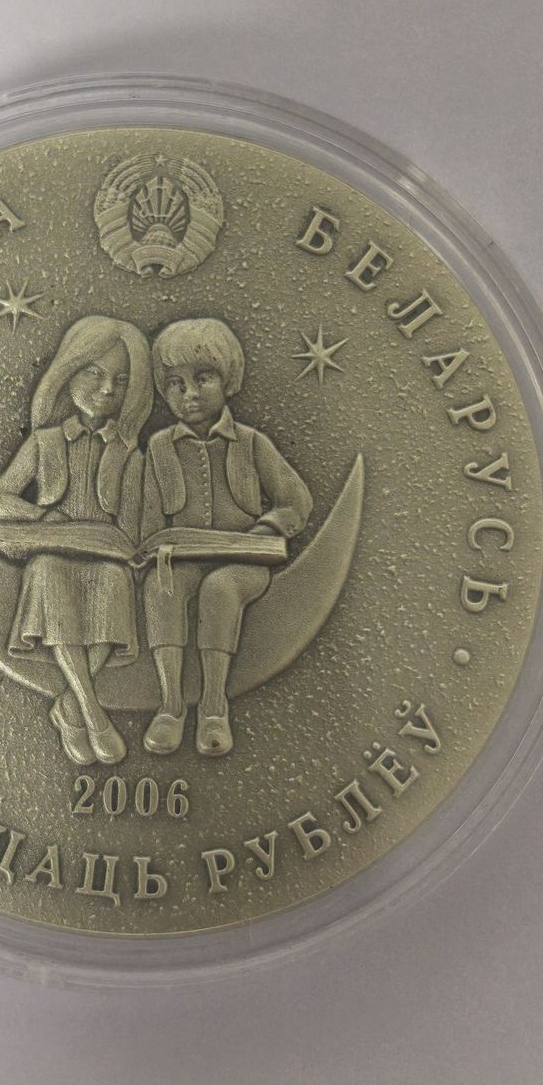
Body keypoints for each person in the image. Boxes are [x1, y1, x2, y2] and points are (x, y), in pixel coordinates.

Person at [141, 318, 313, 757]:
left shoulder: (251, 443)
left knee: (219, 589)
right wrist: (154, 544)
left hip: (244, 563)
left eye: (202, 378)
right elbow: (149, 515)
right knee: (161, 587)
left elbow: (295, 501)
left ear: (229, 379)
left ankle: (214, 706)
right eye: (176, 384)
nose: (190, 394)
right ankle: (171, 705)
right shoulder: (160, 447)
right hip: (182, 560)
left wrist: (264, 531)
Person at [0, 316, 151, 766]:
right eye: (93, 372)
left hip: (104, 557)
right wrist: (40, 515)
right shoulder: (44, 442)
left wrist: (127, 545)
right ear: (67, 372)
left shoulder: (129, 453)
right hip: (52, 551)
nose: (107, 389)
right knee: (47, 571)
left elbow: (132, 524)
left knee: (113, 580)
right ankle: (91, 714)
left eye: (121, 381)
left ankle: (72, 705)